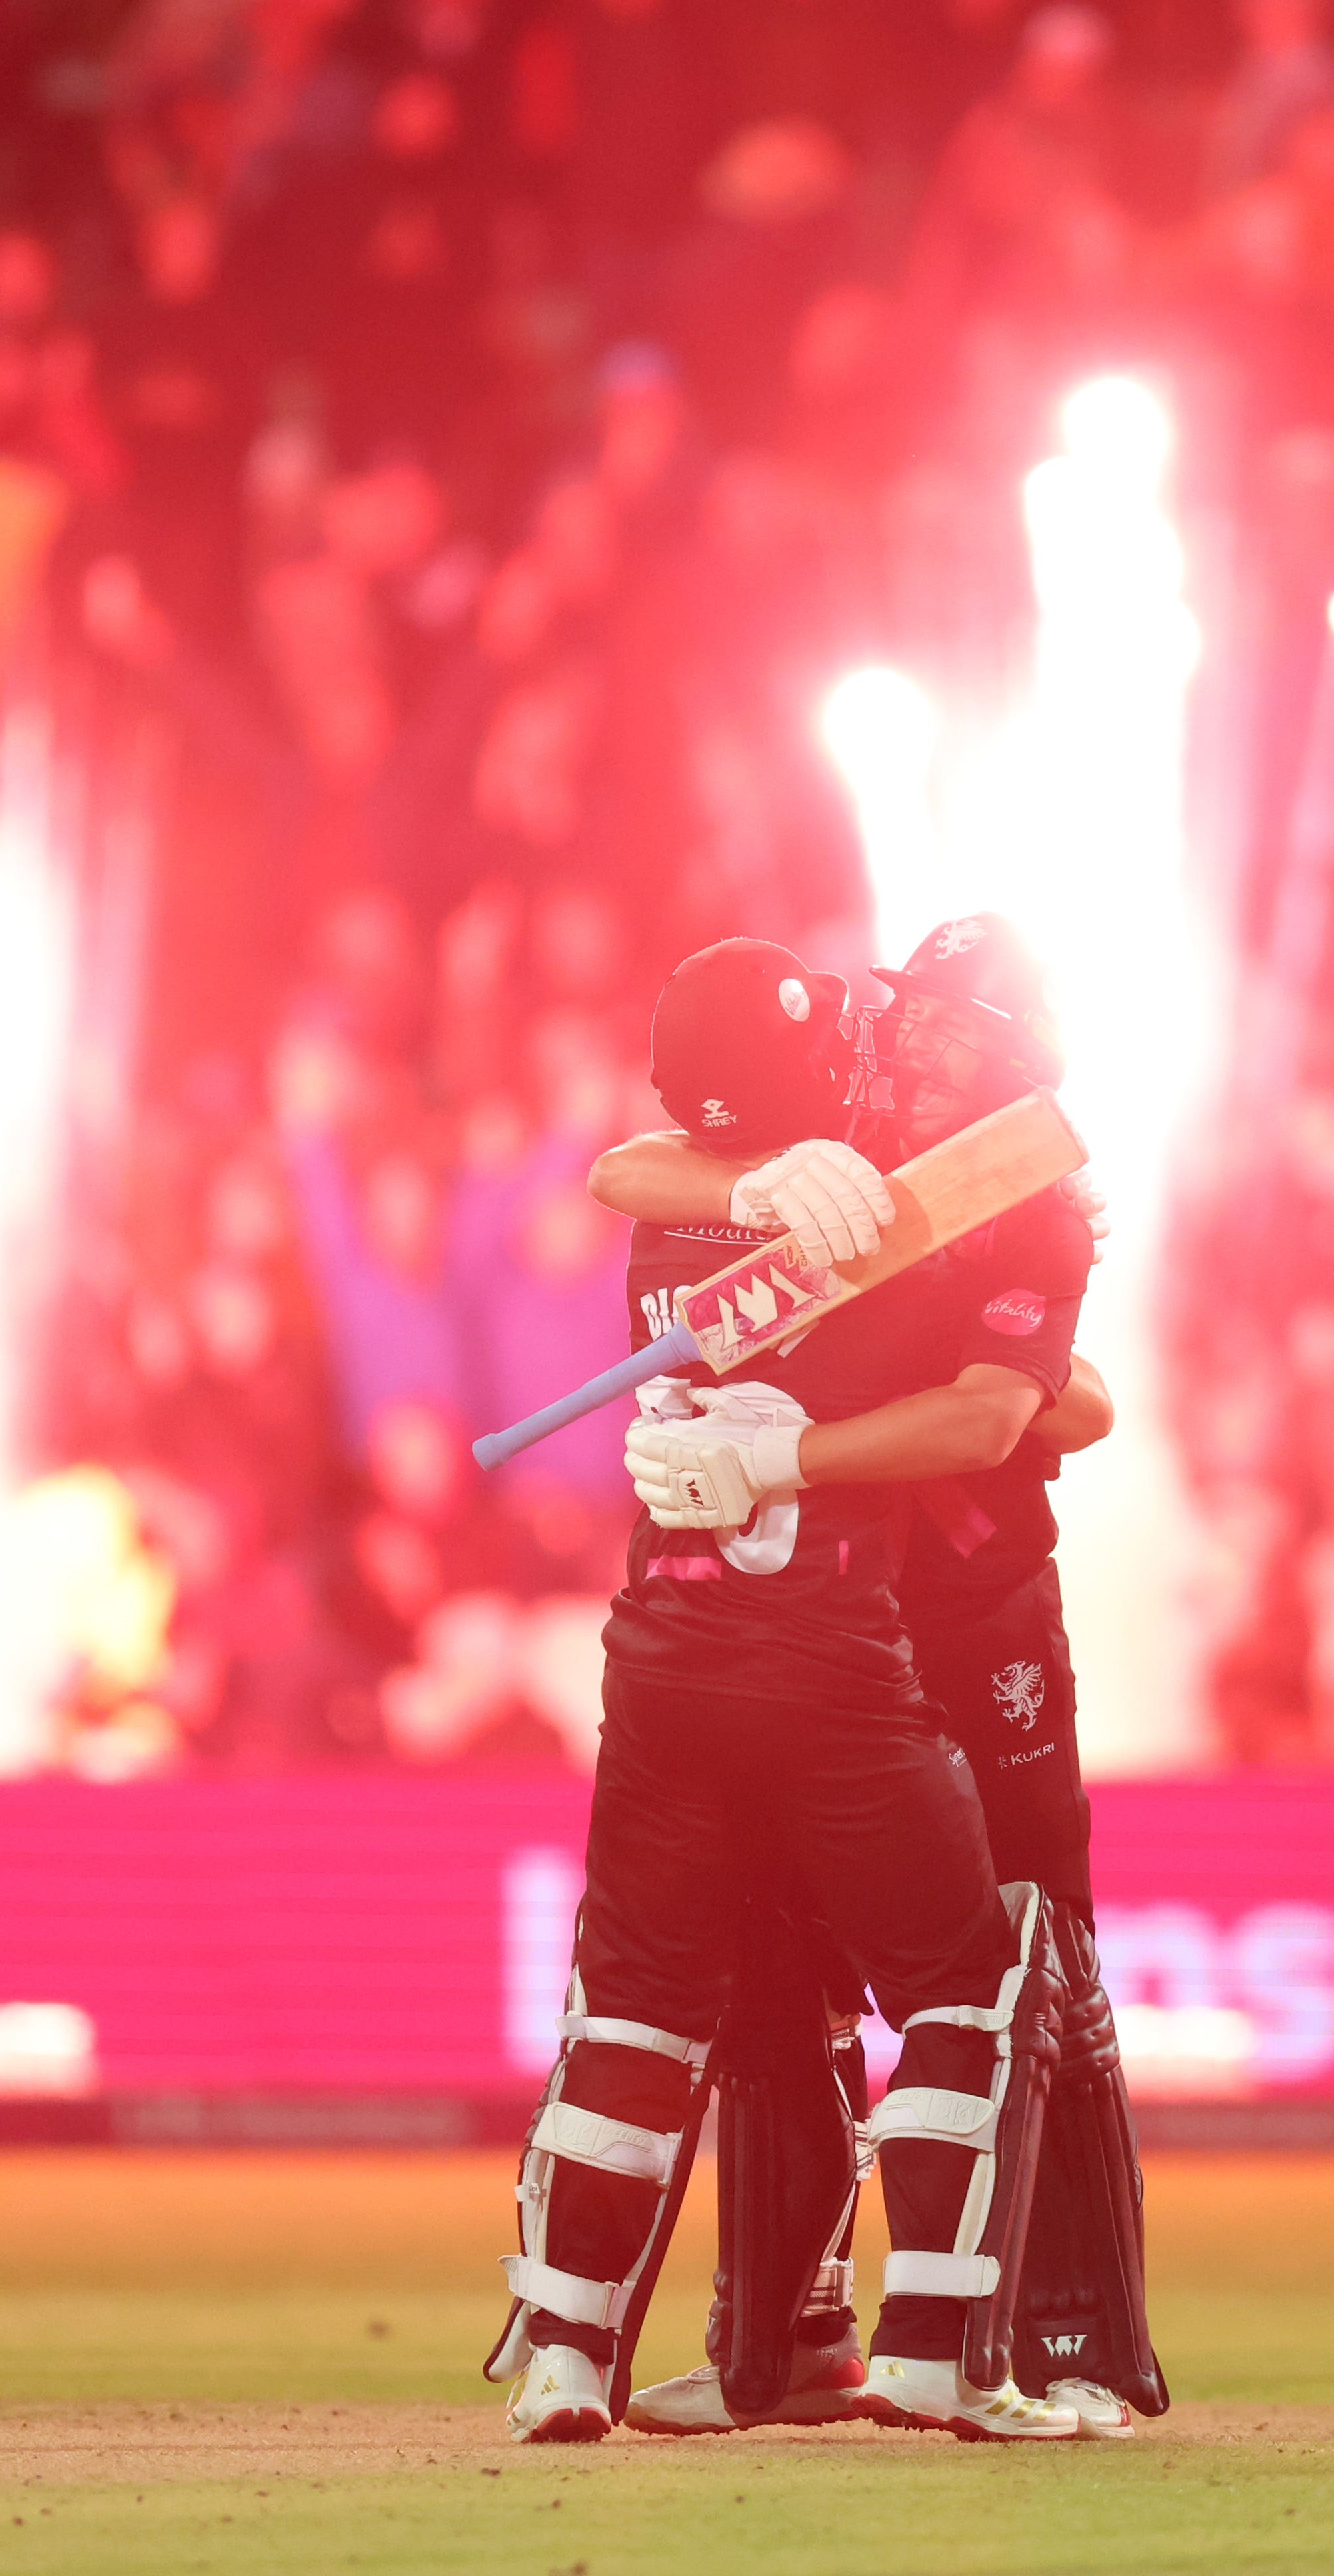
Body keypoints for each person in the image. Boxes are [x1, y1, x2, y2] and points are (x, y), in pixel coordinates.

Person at [486, 937, 1087, 2446]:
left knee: (632, 2005)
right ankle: (940, 2352)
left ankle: (564, 2352)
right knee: (967, 1983)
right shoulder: (879, 1214)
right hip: (833, 1665)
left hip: (661, 1659)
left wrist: (748, 1185)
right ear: (819, 1062)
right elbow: (998, 1403)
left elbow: (633, 1172)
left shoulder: (692, 1216)